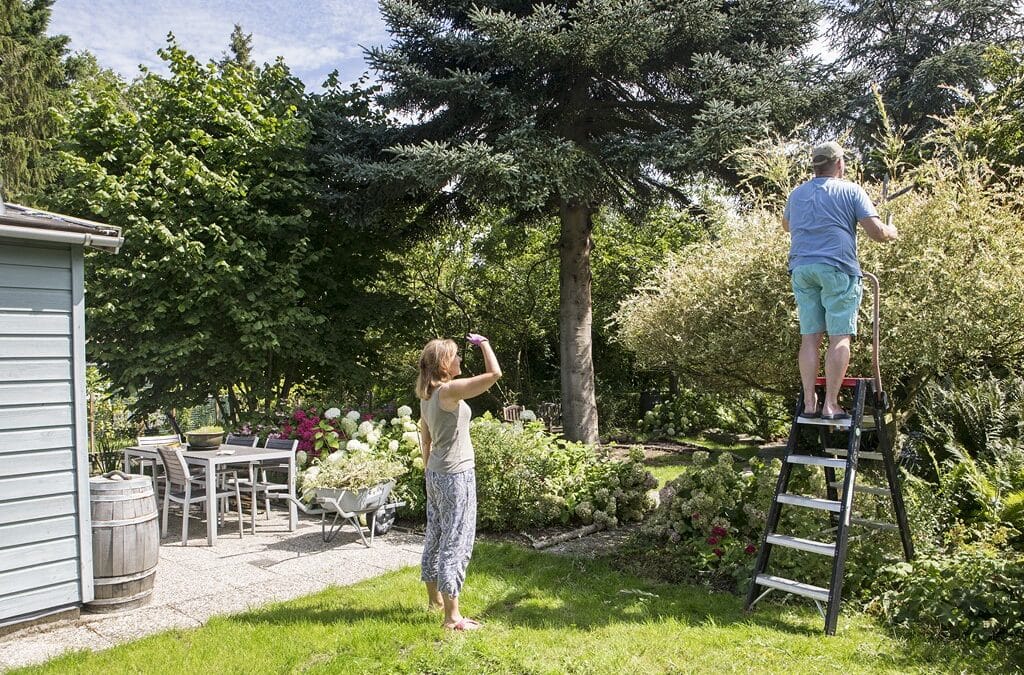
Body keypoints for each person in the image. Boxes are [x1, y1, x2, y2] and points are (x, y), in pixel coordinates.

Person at [782, 141, 898, 420]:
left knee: (809, 337)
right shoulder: (851, 190)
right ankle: (830, 405)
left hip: (801, 269)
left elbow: (788, 226)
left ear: (815, 165)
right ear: (839, 164)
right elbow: (877, 233)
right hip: (837, 269)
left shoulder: (796, 195)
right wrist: (891, 229)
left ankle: (810, 404)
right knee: (839, 337)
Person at [415, 333, 501, 631]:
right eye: (457, 355)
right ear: (444, 363)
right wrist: (485, 344)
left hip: (437, 473)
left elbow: (425, 440)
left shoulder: (426, 395)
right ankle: (452, 618)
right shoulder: (448, 391)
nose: (461, 359)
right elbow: (494, 375)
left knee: (437, 535)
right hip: (456, 475)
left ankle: (434, 601)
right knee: (457, 539)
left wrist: (430, 474)